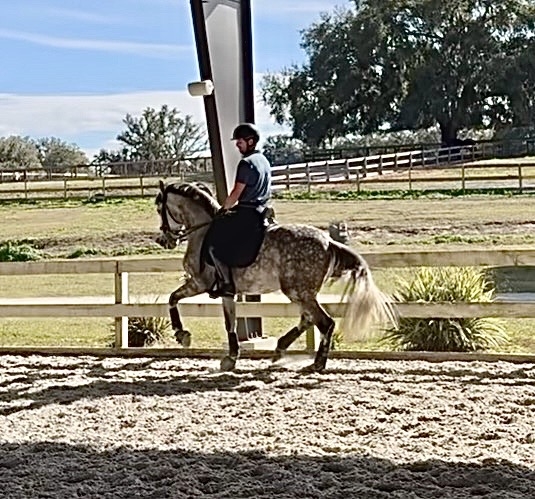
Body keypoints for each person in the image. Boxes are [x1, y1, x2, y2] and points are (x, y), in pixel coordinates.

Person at [205, 123, 272, 298]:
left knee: (214, 243)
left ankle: (227, 283)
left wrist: (223, 209)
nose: (237, 145)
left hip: (246, 212)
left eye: (240, 141)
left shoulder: (246, 163)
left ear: (250, 142)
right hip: (263, 210)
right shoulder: (264, 160)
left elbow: (236, 193)